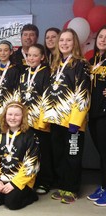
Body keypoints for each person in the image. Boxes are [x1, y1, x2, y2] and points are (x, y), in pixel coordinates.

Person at [39, 28, 91, 204]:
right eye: (62, 40)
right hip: (56, 120)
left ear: (74, 43)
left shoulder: (80, 64)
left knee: (72, 155)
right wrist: (45, 118)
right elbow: (48, 93)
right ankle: (63, 186)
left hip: (72, 122)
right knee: (59, 155)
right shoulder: (55, 64)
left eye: (68, 40)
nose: (64, 43)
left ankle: (72, 189)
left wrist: (76, 121)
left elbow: (83, 94)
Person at [0, 101, 40, 210]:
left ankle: (31, 195)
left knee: (12, 203)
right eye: (10, 114)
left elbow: (32, 165)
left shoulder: (30, 136)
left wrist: (14, 184)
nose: (13, 118)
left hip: (21, 179)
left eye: (17, 115)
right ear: (5, 115)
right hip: (2, 177)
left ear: (23, 117)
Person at [18, 43, 52, 194]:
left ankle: (46, 181)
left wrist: (42, 120)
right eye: (29, 55)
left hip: (41, 120)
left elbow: (48, 97)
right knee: (30, 151)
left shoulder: (47, 72)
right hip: (26, 120)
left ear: (42, 57)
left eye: (35, 55)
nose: (31, 58)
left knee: (43, 151)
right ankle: (32, 179)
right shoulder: (25, 72)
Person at [87, 25, 106, 207]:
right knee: (102, 152)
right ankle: (103, 185)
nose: (103, 40)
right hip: (93, 113)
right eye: (101, 36)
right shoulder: (93, 60)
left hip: (104, 113)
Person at [0, 40, 20, 121]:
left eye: (6, 50)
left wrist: (13, 107)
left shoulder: (15, 70)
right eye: (0, 50)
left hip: (8, 108)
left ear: (11, 52)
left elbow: (17, 91)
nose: (3, 53)